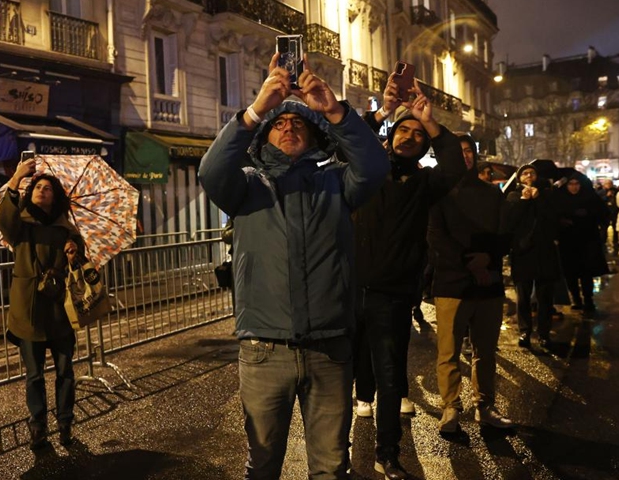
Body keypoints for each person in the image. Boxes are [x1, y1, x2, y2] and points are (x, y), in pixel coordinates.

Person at [198, 53, 389, 479]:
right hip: (265, 350)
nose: (288, 128)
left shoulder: (337, 181)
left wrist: (335, 110)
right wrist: (256, 110)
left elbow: (376, 167)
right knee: (263, 464)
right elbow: (210, 172)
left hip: (330, 349)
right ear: (264, 139)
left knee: (330, 467)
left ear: (314, 138)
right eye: (279, 124)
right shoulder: (246, 186)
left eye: (298, 124)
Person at [352, 77, 466, 478]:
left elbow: (455, 165)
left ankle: (388, 452)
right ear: (390, 133)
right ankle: (331, 452)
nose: (410, 136)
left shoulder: (424, 184)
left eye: (417, 134)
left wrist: (430, 122)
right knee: (333, 376)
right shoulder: (365, 173)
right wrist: (383, 110)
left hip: (392, 296)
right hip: (347, 291)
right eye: (404, 128)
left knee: (389, 378)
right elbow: (349, 139)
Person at [427, 136, 514, 434]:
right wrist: (469, 262)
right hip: (452, 281)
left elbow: (505, 233)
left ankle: (485, 405)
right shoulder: (439, 194)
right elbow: (436, 237)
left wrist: (487, 257)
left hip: (488, 281)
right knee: (448, 350)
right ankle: (451, 406)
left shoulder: (493, 194)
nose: (464, 157)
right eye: (458, 152)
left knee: (485, 350)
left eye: (468, 151)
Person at [0, 161, 83, 450]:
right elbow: (3, 222)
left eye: (48, 188)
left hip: (60, 310)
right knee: (34, 375)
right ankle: (38, 426)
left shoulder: (66, 229)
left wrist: (74, 254)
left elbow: (81, 264)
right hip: (28, 310)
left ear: (56, 197)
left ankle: (65, 423)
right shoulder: (19, 225)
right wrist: (18, 177)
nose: (42, 191)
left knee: (65, 372)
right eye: (38, 187)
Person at [505, 164, 561, 350]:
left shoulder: (546, 194)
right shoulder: (513, 196)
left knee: (545, 296)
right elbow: (510, 221)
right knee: (523, 295)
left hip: (544, 251)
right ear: (519, 178)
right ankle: (524, 330)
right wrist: (523, 200)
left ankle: (544, 333)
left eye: (532, 173)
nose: (529, 175)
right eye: (525, 173)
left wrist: (538, 200)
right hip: (523, 252)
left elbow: (552, 218)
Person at [552, 174, 610, 313]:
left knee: (586, 272)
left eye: (577, 184)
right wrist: (562, 221)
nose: (574, 187)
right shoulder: (560, 199)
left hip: (587, 239)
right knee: (570, 272)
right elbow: (553, 216)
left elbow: (603, 213)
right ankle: (576, 299)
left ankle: (588, 299)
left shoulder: (590, 197)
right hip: (567, 240)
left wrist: (589, 214)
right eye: (571, 184)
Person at [598, 179, 619, 253]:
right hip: (604, 213)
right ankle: (603, 241)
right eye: (607, 183)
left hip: (614, 212)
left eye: (610, 183)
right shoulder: (600, 192)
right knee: (604, 228)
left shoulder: (616, 191)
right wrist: (606, 197)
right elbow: (599, 201)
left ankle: (615, 241)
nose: (609, 185)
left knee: (615, 227)